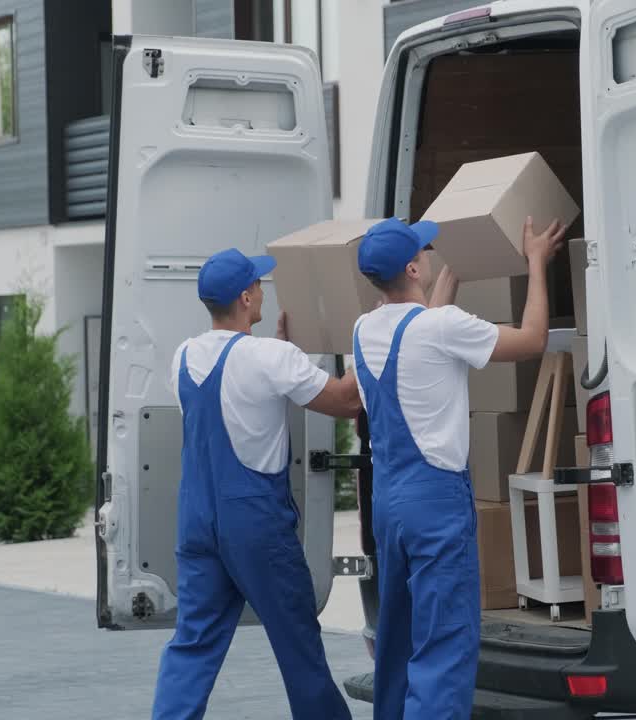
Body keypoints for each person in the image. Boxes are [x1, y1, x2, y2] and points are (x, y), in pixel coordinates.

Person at [352, 216, 566, 719]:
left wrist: (454, 272)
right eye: (423, 252)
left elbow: (423, 325)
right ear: (412, 266)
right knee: (444, 649)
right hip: (435, 504)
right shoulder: (440, 327)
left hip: (390, 504)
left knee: (399, 642)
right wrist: (536, 261)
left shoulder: (363, 329)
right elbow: (533, 340)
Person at [151, 248, 360, 720]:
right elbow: (346, 402)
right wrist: (380, 348)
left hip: (199, 521)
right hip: (255, 523)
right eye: (259, 285)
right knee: (296, 643)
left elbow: (237, 394)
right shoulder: (270, 357)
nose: (264, 290)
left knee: (194, 644)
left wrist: (284, 354)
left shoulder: (184, 357)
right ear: (247, 297)